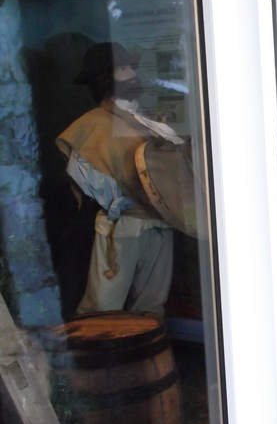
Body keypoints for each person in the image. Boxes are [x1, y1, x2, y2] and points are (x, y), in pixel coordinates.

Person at [56, 42, 183, 317]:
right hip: (122, 226)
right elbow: (84, 185)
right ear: (106, 76)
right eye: (124, 68)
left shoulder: (145, 119)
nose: (132, 73)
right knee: (103, 307)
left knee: (152, 306)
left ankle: (146, 346)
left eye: (130, 67)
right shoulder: (92, 125)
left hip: (160, 223)